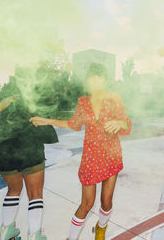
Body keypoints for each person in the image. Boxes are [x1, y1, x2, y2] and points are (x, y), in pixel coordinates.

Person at [30, 63, 131, 240]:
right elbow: (73, 124)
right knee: (86, 204)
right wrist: (47, 121)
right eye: (92, 77)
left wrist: (120, 124)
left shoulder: (114, 98)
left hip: (111, 155)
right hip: (91, 158)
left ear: (105, 80)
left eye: (99, 77)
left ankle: (101, 228)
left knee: (106, 202)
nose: (95, 81)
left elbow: (126, 123)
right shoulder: (83, 102)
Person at [0, 70, 58, 240]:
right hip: (28, 150)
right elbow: (47, 132)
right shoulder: (34, 100)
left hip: (2, 152)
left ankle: (6, 230)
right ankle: (34, 235)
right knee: (35, 193)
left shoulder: (4, 99)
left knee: (13, 189)